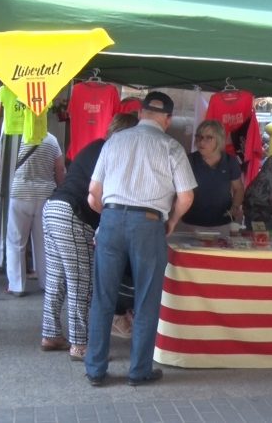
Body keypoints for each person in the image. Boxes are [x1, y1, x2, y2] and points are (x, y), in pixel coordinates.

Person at [84, 91, 197, 386]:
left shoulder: (114, 141)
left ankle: (95, 370)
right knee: (146, 300)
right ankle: (139, 371)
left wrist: (109, 218)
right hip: (148, 224)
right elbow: (186, 196)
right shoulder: (171, 147)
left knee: (103, 298)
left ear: (140, 113)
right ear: (168, 120)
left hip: (110, 220)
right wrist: (171, 221)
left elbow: (93, 194)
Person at [40, 113, 138, 359]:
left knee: (57, 278)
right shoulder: (114, 154)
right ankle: (80, 344)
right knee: (81, 283)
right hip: (74, 214)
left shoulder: (96, 146)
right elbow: (100, 195)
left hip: (52, 207)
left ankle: (51, 334)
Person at [5, 132, 65, 296]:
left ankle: (16, 285)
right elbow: (59, 169)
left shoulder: (17, 137)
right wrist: (61, 189)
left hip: (19, 194)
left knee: (16, 241)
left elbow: (3, 164)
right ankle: (46, 283)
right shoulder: (52, 140)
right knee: (43, 242)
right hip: (45, 195)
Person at [177, 120, 244, 234]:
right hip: (191, 223)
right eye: (199, 137)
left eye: (208, 138)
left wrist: (235, 207)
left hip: (222, 223)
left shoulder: (230, 161)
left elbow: (238, 189)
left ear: (219, 140)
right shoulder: (188, 160)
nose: (202, 141)